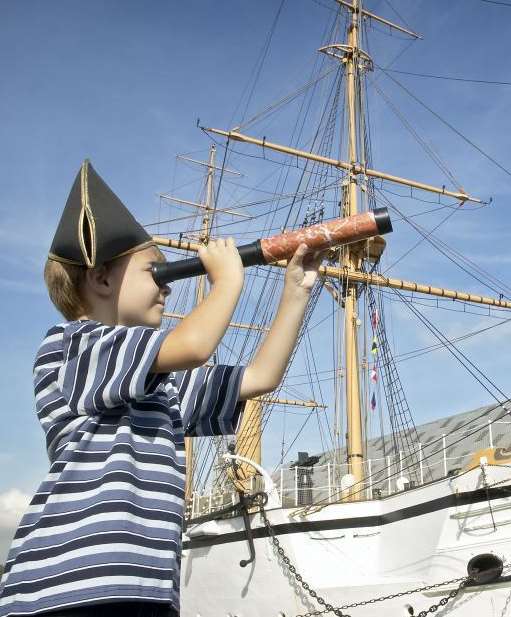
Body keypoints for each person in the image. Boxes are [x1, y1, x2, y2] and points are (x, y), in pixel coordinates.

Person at [0, 160, 322, 617]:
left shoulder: (160, 388)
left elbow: (259, 378)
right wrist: (227, 279)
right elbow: (193, 345)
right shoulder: (72, 346)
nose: (167, 288)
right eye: (157, 273)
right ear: (101, 278)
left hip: (142, 589)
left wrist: (295, 293)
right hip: (72, 587)